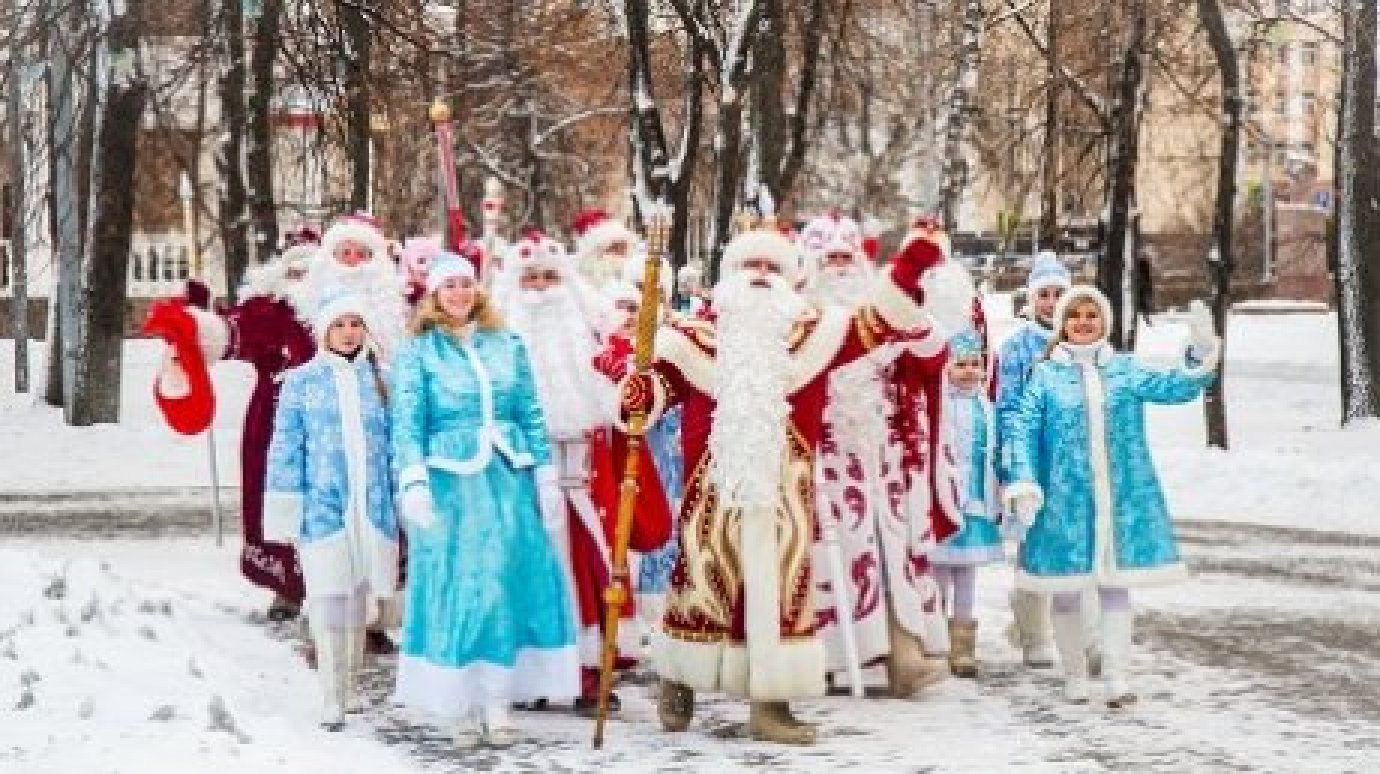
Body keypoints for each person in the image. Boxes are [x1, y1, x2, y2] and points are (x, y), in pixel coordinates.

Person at [600, 218, 974, 744]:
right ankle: (679, 677)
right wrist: (641, 396)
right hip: (712, 484)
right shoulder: (693, 338)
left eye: (771, 266)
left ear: (791, 279)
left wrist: (912, 264)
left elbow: (881, 318)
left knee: (781, 592)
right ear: (728, 275)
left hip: (787, 487)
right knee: (702, 587)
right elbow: (661, 387)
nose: (759, 275)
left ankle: (771, 703)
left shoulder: (819, 333)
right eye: (749, 265)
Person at [389, 254, 578, 747]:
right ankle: (457, 703)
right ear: (433, 294)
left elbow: (530, 412)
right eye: (448, 285)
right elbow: (407, 423)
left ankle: (497, 700)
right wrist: (412, 480)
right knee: (459, 587)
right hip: (450, 484)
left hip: (507, 480)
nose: (459, 294)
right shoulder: (419, 351)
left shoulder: (507, 343)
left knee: (504, 586)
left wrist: (543, 474)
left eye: (466, 285)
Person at [1004, 287, 1219, 708]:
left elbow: (1176, 386)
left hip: (1119, 501)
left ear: (1104, 321)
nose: (1083, 322)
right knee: (1066, 589)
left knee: (1116, 587)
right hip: (1063, 504)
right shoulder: (1044, 376)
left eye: (1092, 315)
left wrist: (1200, 351)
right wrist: (1024, 481)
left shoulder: (1124, 370)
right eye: (1074, 316)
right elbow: (1022, 432)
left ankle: (1118, 676)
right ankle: (1074, 675)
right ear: (1063, 324)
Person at [496, 229, 671, 714]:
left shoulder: (592, 339)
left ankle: (590, 671)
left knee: (592, 574)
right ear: (514, 288)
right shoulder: (498, 345)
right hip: (523, 482)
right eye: (531, 280)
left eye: (552, 276)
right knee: (529, 574)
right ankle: (531, 676)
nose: (543, 288)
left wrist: (633, 395)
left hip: (585, 485)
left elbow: (625, 398)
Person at [800, 212, 954, 697]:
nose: (841, 267)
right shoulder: (797, 315)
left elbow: (934, 353)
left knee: (891, 553)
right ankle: (821, 659)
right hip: (820, 457)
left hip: (883, 457)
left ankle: (902, 653)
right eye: (832, 259)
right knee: (822, 558)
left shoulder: (886, 311)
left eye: (849, 257)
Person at [146, 234, 319, 624]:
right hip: (274, 420)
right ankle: (286, 586)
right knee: (274, 499)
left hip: (331, 426)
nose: (301, 278)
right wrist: (196, 324)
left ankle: (343, 593)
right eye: (294, 270)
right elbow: (231, 333)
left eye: (309, 270)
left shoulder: (341, 310)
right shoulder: (269, 311)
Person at [262, 289, 400, 730]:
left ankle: (352, 686)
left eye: (355, 323)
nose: (348, 332)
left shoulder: (382, 379)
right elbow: (286, 448)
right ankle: (330, 696)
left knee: (359, 599)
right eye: (339, 325)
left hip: (373, 509)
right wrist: (287, 510)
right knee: (327, 599)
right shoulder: (301, 382)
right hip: (323, 509)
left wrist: (400, 498)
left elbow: (396, 445)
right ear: (324, 331)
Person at [994, 250, 1072, 669]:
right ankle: (1034, 633)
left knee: (1069, 543)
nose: (1052, 300)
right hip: (1032, 461)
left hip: (1070, 462)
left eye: (1060, 292)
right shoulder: (1016, 348)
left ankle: (1066, 628)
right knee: (1031, 544)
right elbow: (1006, 407)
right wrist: (1011, 461)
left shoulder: (1081, 342)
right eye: (1045, 293)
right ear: (1032, 298)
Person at [930, 324, 1004, 679]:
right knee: (939, 574)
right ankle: (936, 641)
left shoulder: (986, 407)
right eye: (961, 364)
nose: (969, 371)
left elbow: (992, 453)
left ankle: (962, 646)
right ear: (946, 367)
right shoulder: (940, 406)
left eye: (975, 363)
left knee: (967, 575)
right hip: (948, 504)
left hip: (977, 503)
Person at [571, 209, 638, 287]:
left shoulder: (634, 271)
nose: (621, 252)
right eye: (614, 247)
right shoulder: (581, 280)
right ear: (596, 252)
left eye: (623, 246)